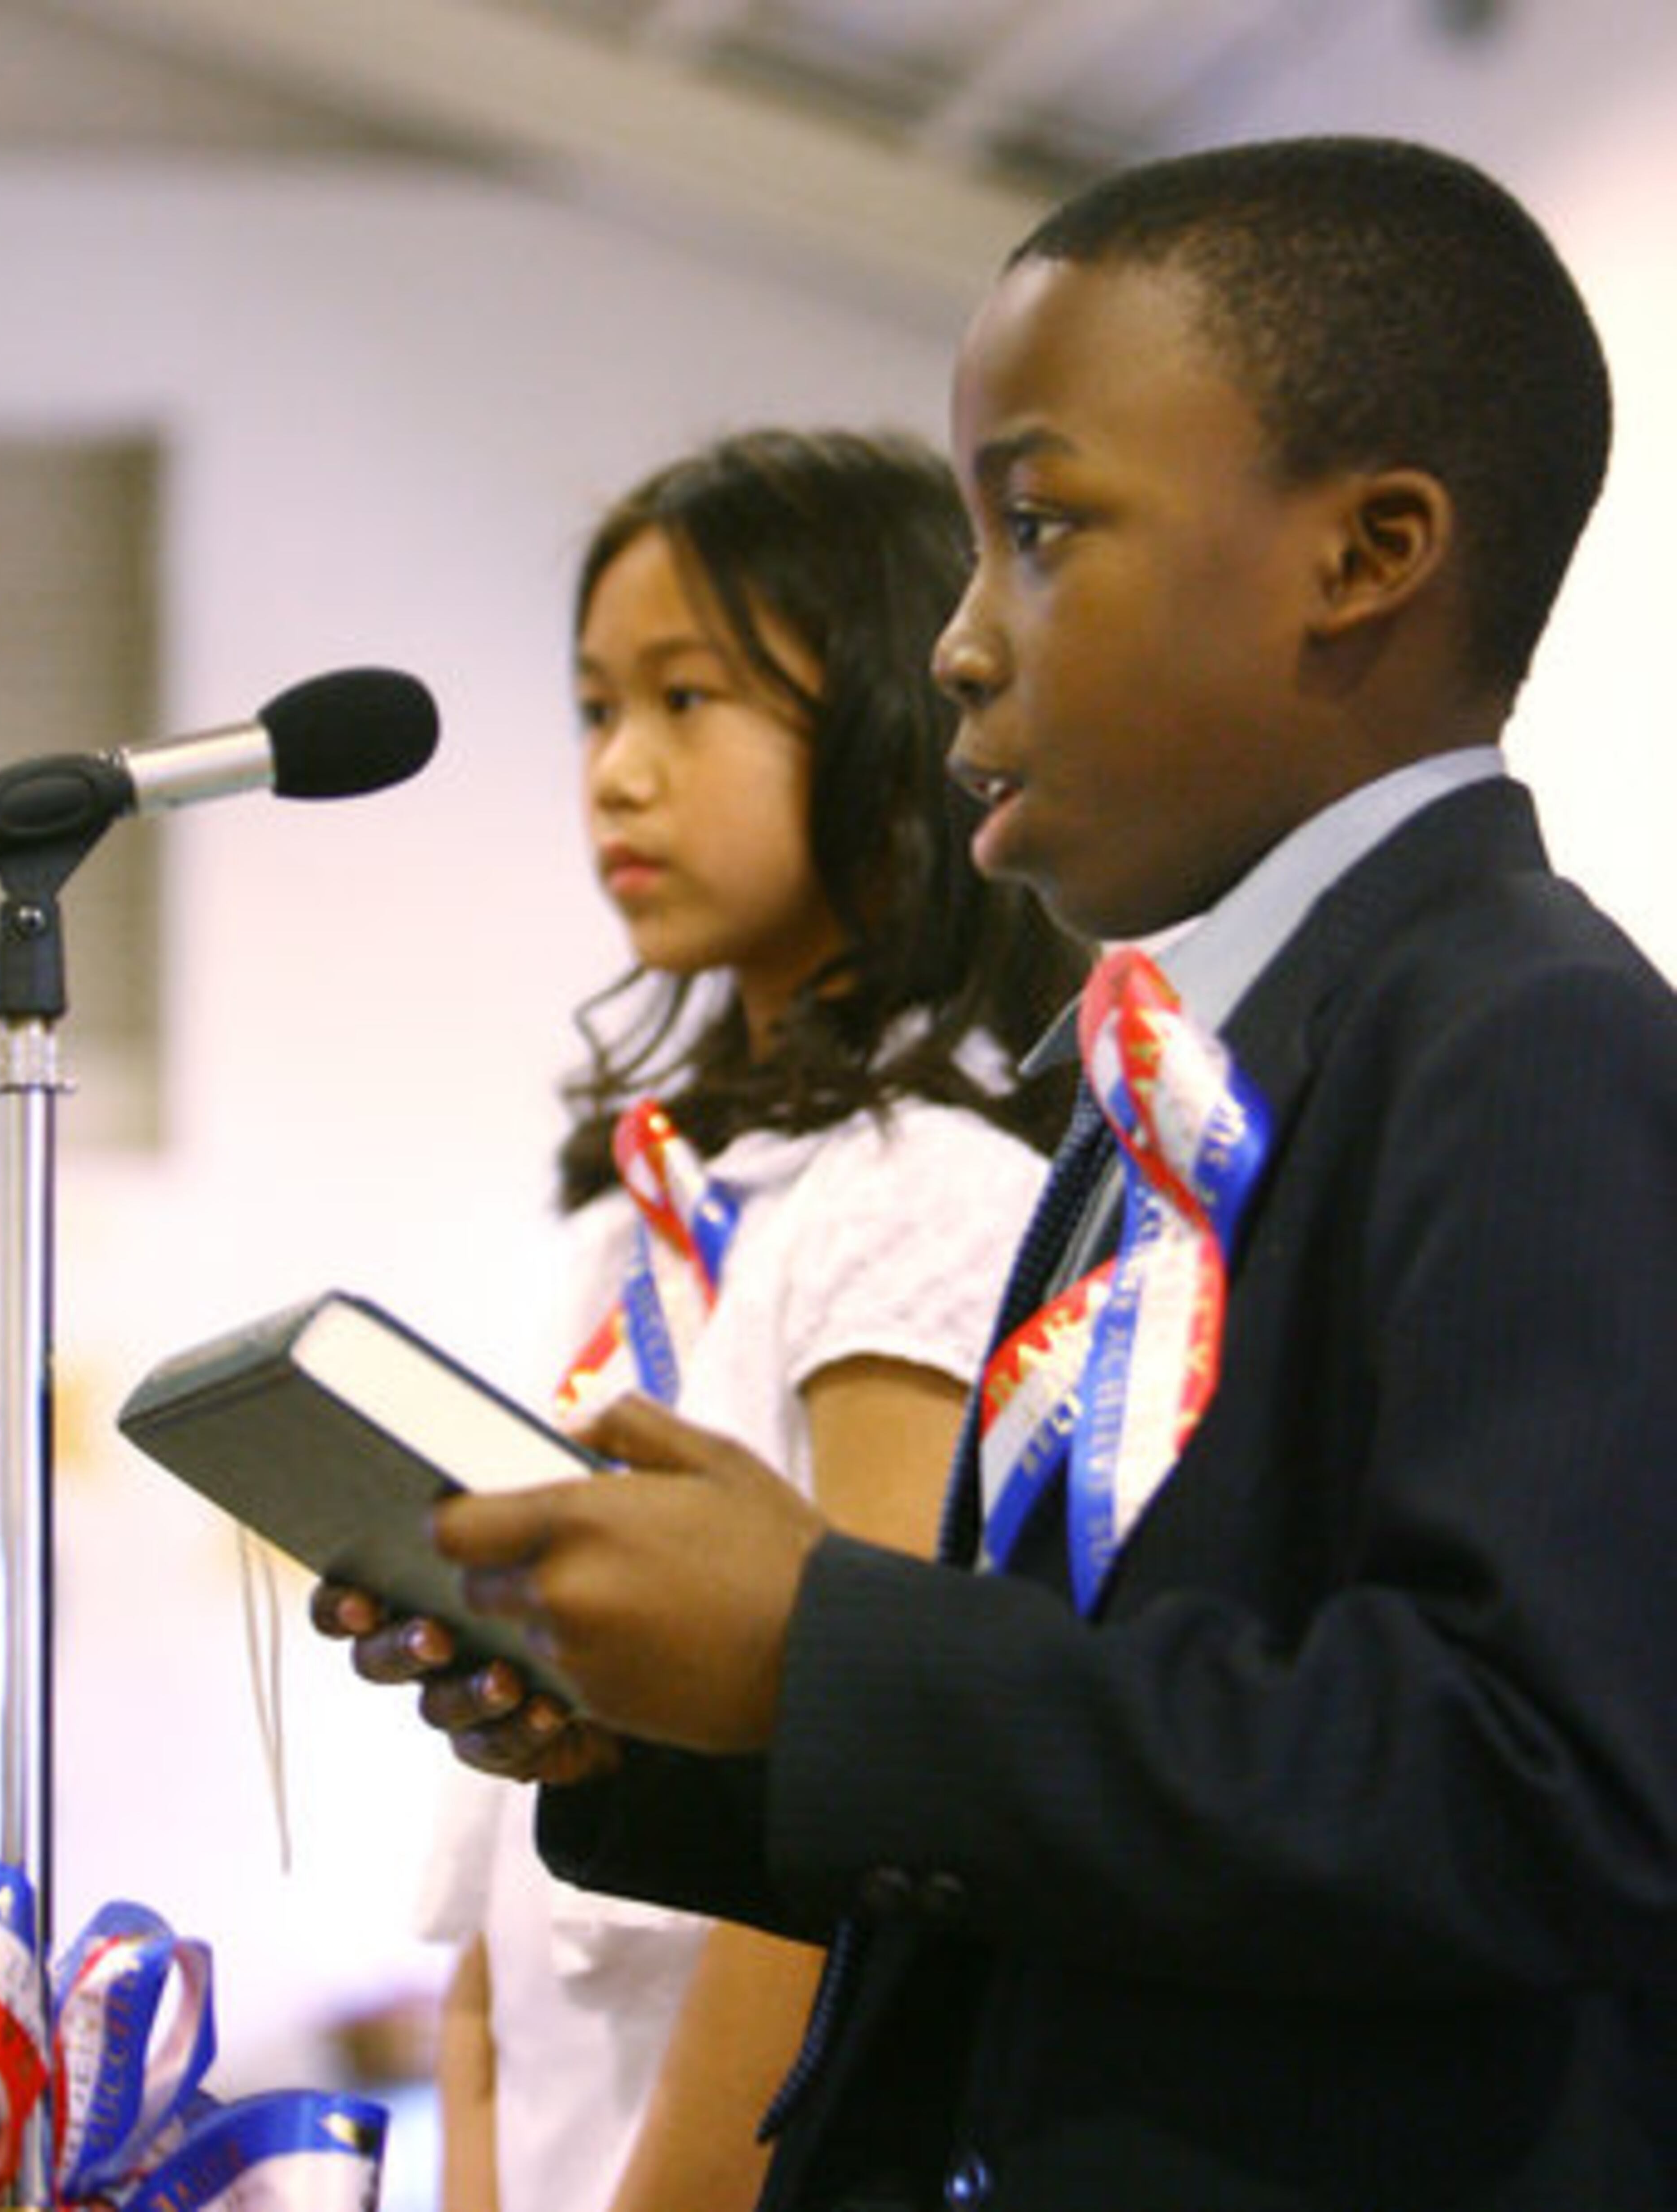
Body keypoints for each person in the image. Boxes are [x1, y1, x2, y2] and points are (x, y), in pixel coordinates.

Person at [339, 139, 1677, 2207]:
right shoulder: (1155, 1086)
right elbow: (1080, 1783)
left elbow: (1539, 1786)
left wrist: (825, 1646)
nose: (961, 644)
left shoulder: (1524, 1036)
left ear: (1370, 552)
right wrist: (675, 1730)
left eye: (1036, 529)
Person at [330, 427, 1088, 2212]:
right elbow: (506, 1873)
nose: (620, 775)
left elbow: (848, 1790)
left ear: (898, 730)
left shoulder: (925, 1189)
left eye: (690, 700)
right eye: (597, 708)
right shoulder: (640, 1205)